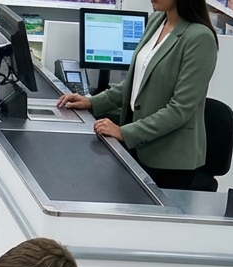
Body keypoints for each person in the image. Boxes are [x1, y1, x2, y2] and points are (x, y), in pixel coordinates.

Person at [56, 0, 218, 190]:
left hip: (168, 160)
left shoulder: (199, 37)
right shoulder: (157, 20)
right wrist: (92, 102)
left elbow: (180, 109)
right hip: (136, 146)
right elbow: (134, 83)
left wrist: (124, 132)